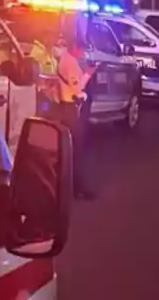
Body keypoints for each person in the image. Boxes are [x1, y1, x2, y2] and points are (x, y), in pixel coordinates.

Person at [50, 35, 98, 200]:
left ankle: (67, 187)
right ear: (75, 48)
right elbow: (76, 88)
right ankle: (77, 188)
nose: (83, 54)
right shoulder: (69, 62)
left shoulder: (63, 60)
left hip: (64, 108)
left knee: (68, 149)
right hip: (72, 110)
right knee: (76, 151)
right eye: (82, 50)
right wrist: (89, 75)